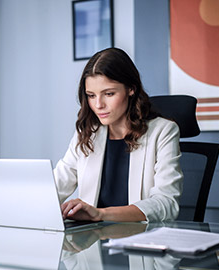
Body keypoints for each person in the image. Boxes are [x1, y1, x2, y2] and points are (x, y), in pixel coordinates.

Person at [54, 47, 183, 223]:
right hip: (93, 243)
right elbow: (55, 186)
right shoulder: (86, 133)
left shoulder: (163, 131)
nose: (98, 104)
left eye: (109, 94)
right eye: (91, 96)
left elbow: (167, 203)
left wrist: (100, 214)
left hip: (140, 241)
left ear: (131, 89)